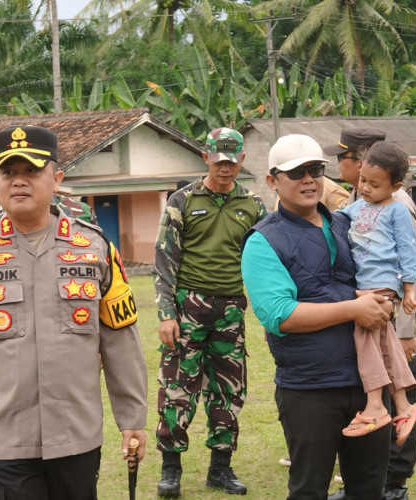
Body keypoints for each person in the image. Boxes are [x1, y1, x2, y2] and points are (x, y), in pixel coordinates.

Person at [0, 125, 147, 499]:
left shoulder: (93, 248)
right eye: (9, 173)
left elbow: (120, 341)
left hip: (75, 436)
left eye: (32, 171)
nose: (19, 182)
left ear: (57, 179)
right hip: (1, 439)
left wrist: (132, 418)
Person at [241, 134, 393, 499]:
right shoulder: (262, 241)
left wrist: (384, 301)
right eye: (296, 172)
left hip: (366, 382)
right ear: (272, 180)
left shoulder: (346, 224)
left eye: (315, 169)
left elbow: (380, 271)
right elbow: (280, 315)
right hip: (309, 388)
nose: (308, 179)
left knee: (370, 489)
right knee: (310, 489)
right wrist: (355, 309)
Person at [153, 127, 267, 497]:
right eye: (218, 161)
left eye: (232, 162)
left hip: (231, 309)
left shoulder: (253, 206)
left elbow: (266, 262)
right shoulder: (182, 201)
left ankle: (221, 467)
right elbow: (165, 260)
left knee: (229, 390)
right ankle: (171, 469)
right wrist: (166, 314)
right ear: (206, 158)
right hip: (189, 308)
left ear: (242, 162)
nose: (225, 168)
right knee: (178, 388)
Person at [326, 127, 416, 500]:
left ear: (362, 158)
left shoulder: (397, 204)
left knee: (393, 372)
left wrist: (405, 327)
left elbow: (412, 265)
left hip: (393, 305)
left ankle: (395, 480)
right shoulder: (359, 198)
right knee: (389, 381)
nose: (339, 163)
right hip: (373, 295)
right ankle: (376, 472)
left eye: (344, 157)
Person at [337, 142, 416, 445]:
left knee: (364, 333)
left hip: (383, 283)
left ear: (395, 186)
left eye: (375, 184)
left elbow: (408, 249)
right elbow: (335, 225)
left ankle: (374, 405)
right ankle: (403, 405)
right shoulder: (354, 208)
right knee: (384, 340)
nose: (366, 188)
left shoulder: (397, 210)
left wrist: (409, 289)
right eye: (363, 181)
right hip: (362, 283)